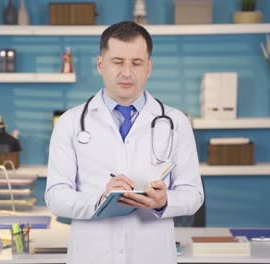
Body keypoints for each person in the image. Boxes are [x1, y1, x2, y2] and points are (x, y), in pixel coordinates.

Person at [45, 21, 204, 264]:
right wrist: (99, 200)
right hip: (92, 256)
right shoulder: (70, 122)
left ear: (149, 67)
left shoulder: (175, 122)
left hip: (152, 256)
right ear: (101, 64)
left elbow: (193, 195)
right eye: (117, 62)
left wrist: (164, 202)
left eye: (136, 63)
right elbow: (56, 196)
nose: (127, 72)